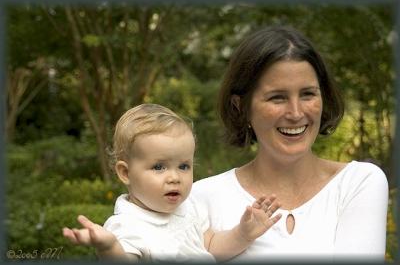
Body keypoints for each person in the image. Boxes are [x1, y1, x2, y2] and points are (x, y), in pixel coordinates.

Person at [191, 25, 389, 262]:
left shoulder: (358, 184)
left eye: (308, 94)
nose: (296, 113)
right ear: (240, 106)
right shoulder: (199, 198)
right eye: (277, 97)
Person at [62, 103, 282, 263]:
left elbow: (211, 248)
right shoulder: (128, 225)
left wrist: (243, 234)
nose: (175, 177)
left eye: (184, 166)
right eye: (159, 167)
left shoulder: (187, 210)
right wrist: (109, 247)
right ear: (125, 173)